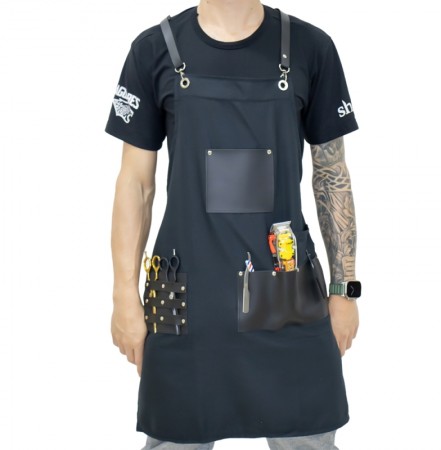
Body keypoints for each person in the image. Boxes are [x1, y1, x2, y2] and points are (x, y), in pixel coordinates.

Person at [105, 1, 361, 449]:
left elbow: (331, 175)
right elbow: (135, 184)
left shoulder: (311, 48)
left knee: (309, 440)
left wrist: (344, 290)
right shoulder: (153, 50)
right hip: (185, 305)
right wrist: (123, 295)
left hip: (288, 299)